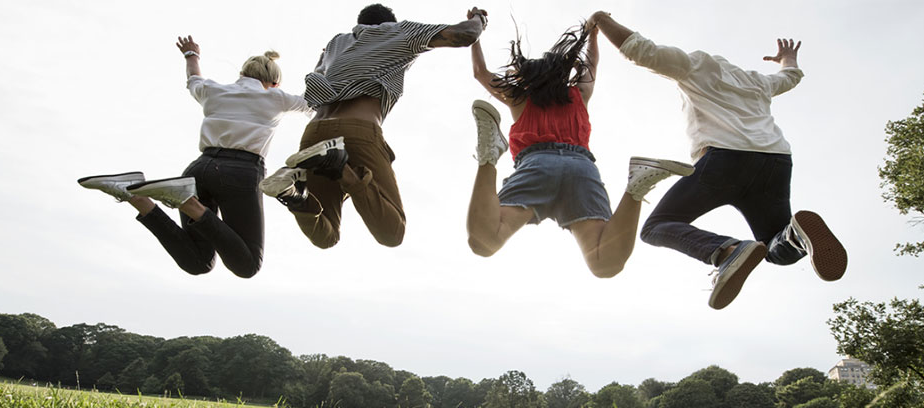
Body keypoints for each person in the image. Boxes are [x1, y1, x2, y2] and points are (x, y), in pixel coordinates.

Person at [588, 11, 847, 309]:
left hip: (724, 161)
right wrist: (788, 58)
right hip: (774, 162)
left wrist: (600, 20)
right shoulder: (757, 82)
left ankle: (726, 251)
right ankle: (796, 235)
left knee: (656, 227)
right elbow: (790, 78)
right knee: (776, 249)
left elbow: (638, 49)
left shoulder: (695, 64)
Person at [465, 18, 694, 278]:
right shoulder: (578, 95)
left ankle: (488, 157)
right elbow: (592, 65)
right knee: (605, 263)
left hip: (536, 165)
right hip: (581, 170)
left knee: (485, 241)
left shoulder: (520, 98)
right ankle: (637, 186)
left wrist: (475, 31)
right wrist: (592, 35)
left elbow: (480, 72)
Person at [78, 36, 311, 278]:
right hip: (240, 172)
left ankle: (136, 197)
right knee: (247, 265)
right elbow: (312, 103)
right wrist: (324, 63)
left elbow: (193, 79)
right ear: (273, 82)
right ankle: (188, 202)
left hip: (198, 170)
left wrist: (192, 54)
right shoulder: (276, 97)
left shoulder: (214, 90)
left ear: (241, 74)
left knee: (198, 262)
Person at [259, 4, 488, 249]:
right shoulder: (401, 32)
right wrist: (479, 19)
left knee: (326, 236)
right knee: (393, 232)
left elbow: (318, 72)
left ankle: (293, 194)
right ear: (390, 22)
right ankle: (340, 167)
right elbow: (465, 34)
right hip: (357, 130)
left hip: (314, 132)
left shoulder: (336, 44)